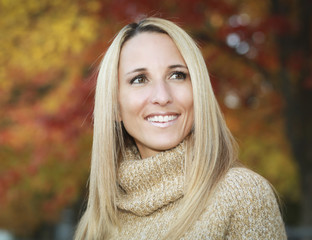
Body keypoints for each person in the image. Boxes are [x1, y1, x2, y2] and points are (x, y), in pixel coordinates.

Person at [74, 17, 287, 240]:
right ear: (115, 106)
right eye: (139, 79)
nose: (162, 97)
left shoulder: (243, 195)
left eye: (177, 75)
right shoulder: (96, 223)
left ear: (198, 90)